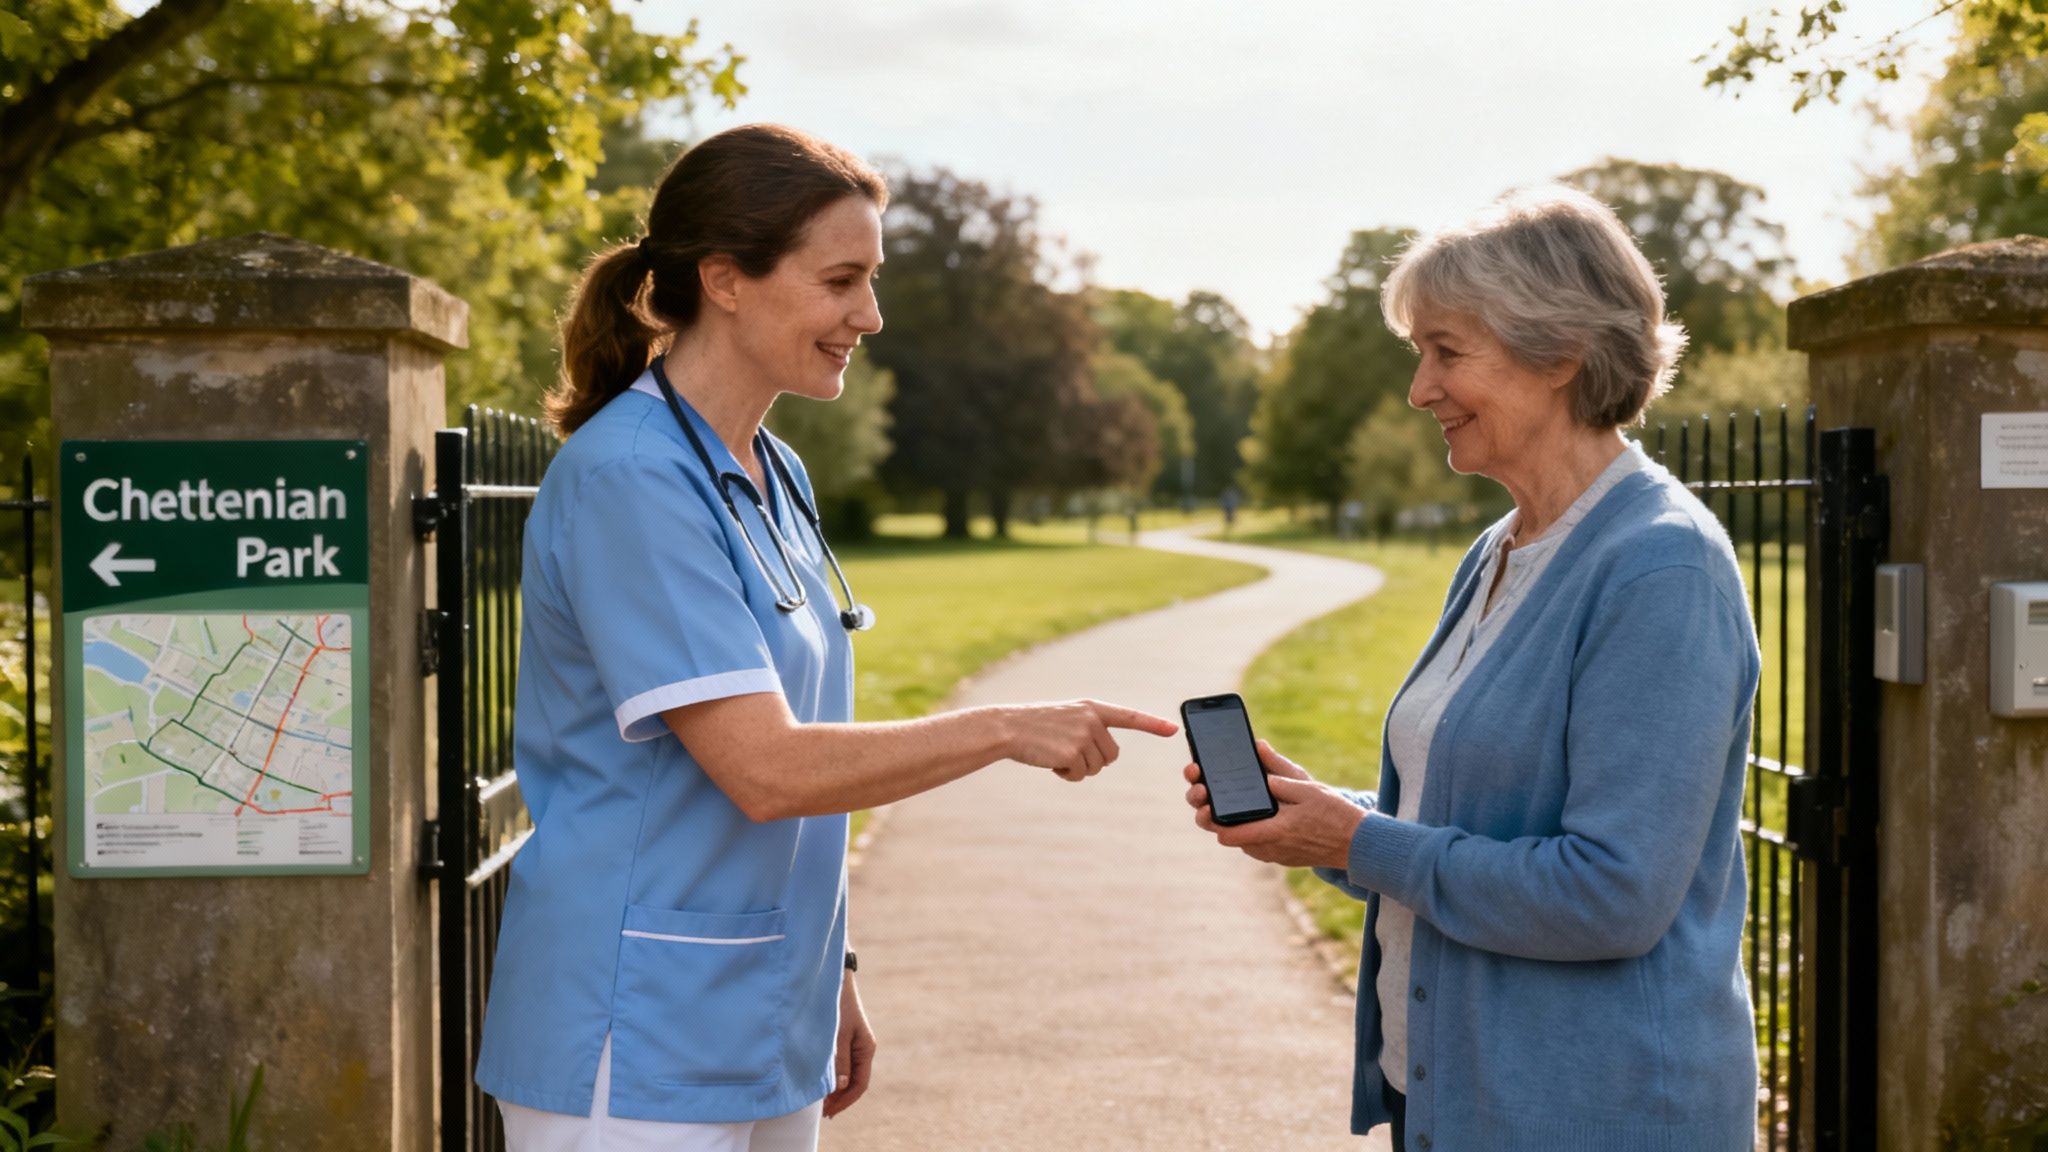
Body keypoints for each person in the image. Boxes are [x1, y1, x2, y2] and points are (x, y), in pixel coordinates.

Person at [475, 123, 1177, 1151]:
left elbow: (803, 742)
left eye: (871, 279)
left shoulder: (776, 472)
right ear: (724, 279)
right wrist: (1002, 729)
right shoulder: (630, 478)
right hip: (630, 1031)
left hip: (769, 1008)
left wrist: (832, 967)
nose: (870, 315)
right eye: (841, 280)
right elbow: (765, 769)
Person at [1183, 187, 1761, 1150]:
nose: (1419, 390)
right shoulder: (1503, 546)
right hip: (1459, 1098)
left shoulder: (1662, 569)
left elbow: (1611, 895)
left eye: (1447, 353)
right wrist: (1320, 821)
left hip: (1596, 1113)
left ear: (1561, 353)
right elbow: (1467, 828)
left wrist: (1359, 844)